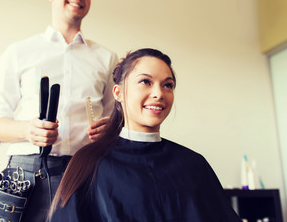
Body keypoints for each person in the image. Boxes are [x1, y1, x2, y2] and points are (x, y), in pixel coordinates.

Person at [48, 48, 241, 222]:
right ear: (118, 93)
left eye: (168, 85)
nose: (158, 93)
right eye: (145, 82)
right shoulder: (89, 163)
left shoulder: (195, 165)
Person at [0, 0, 118, 221]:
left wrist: (109, 132)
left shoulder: (107, 59)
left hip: (83, 175)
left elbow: (116, 124)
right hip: (24, 177)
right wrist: (28, 130)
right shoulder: (18, 53)